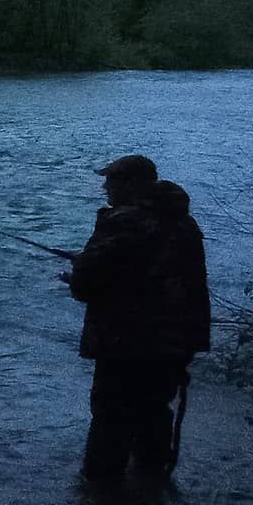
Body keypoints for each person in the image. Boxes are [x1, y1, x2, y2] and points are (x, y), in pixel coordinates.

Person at [63, 154, 211, 482]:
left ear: (130, 184)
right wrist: (194, 341)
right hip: (172, 343)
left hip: (123, 343)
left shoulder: (124, 221)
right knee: (155, 413)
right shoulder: (184, 223)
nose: (105, 189)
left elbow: (88, 284)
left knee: (110, 418)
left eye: (110, 182)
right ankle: (151, 490)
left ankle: (101, 500)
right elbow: (196, 286)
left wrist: (79, 270)